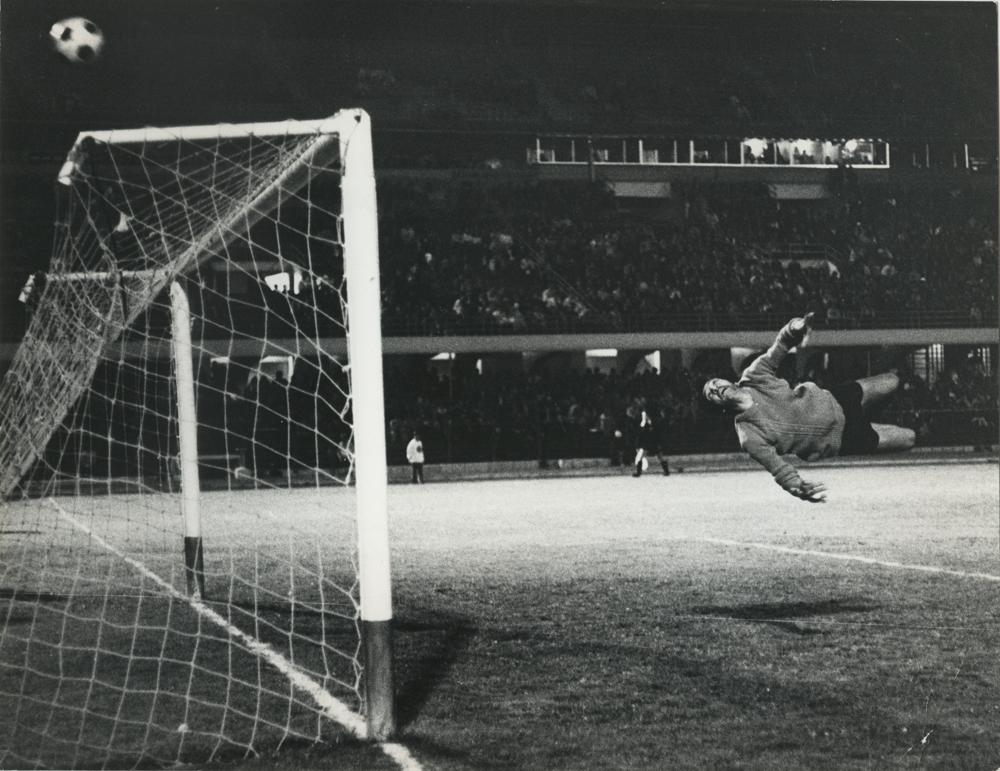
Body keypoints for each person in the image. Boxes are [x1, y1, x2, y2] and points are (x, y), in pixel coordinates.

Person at [702, 312, 915, 502]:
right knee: (908, 439)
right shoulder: (748, 435)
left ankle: (870, 413)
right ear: (719, 407)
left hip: (836, 400)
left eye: (714, 383)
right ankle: (869, 422)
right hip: (840, 438)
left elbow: (781, 344)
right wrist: (796, 486)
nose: (714, 389)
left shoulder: (754, 375)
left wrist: (797, 326)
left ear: (726, 380)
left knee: (892, 380)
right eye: (710, 394)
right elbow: (778, 468)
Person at [632, 409, 670, 477]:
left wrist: (659, 443)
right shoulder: (644, 423)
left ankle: (666, 471)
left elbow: (658, 434)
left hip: (654, 442)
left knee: (660, 457)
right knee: (641, 457)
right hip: (647, 443)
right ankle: (638, 473)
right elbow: (641, 430)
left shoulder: (654, 423)